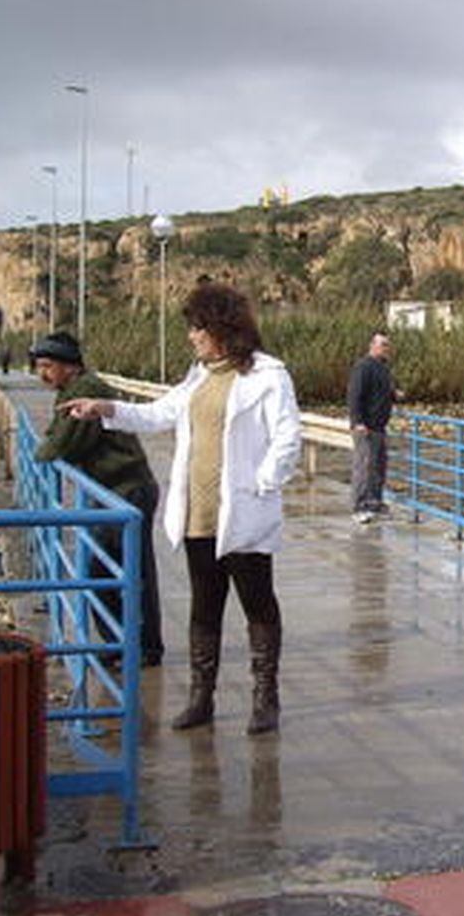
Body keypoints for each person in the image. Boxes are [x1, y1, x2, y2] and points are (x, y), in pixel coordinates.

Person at [59, 282, 302, 735]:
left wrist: (263, 483)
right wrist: (104, 407)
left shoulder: (269, 376)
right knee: (203, 608)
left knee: (258, 604)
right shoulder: (199, 377)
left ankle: (265, 699)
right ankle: (200, 699)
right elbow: (158, 414)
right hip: (199, 515)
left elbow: (288, 437)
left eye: (196, 328)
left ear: (221, 327)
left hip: (243, 512)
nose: (191, 337)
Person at [29, 331, 164, 668]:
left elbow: (60, 445)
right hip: (113, 491)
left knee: (122, 571)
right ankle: (124, 642)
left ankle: (142, 647)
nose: (41, 374)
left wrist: (43, 451)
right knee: (108, 571)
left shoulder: (85, 392)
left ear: (70, 367)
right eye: (39, 366)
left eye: (48, 366)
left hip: (126, 490)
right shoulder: (73, 390)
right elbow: (55, 437)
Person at [347, 331, 401, 525]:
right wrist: (357, 421)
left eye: (388, 345)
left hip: (380, 426)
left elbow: (383, 391)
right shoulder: (363, 367)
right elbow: (354, 396)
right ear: (373, 346)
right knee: (363, 467)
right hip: (366, 427)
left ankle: (375, 502)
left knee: (379, 467)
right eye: (383, 345)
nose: (387, 349)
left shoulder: (383, 368)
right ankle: (359, 506)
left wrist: (395, 395)